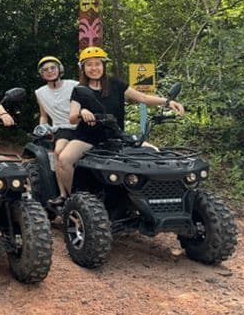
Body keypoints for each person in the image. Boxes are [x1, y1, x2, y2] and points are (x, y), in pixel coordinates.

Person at [53, 47, 186, 205]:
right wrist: (83, 112)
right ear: (83, 68)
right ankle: (73, 200)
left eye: (97, 64)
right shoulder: (80, 90)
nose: (94, 68)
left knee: (155, 153)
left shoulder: (116, 84)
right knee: (64, 159)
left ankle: (157, 198)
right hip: (88, 137)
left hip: (116, 135)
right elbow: (72, 118)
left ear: (103, 65)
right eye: (89, 65)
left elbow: (142, 98)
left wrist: (168, 102)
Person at [35, 55, 79, 155]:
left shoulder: (74, 85)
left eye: (53, 68)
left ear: (60, 69)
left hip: (81, 126)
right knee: (59, 151)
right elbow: (43, 116)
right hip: (61, 129)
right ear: (42, 74)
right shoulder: (40, 92)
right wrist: (42, 131)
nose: (50, 71)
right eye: (45, 70)